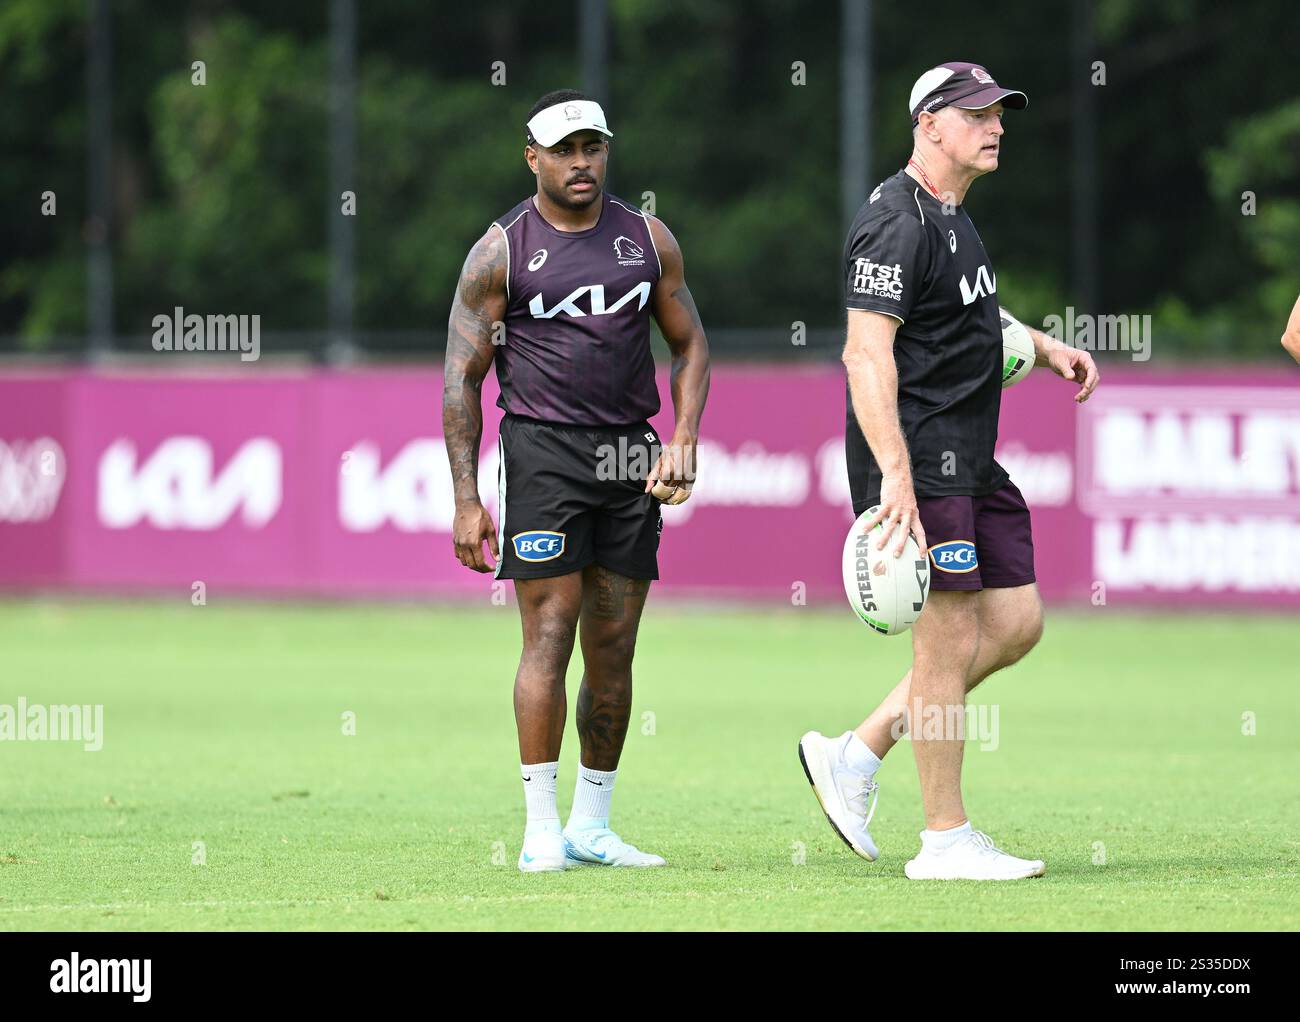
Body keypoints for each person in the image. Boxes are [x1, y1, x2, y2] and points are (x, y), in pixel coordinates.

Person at [799, 62, 1099, 880]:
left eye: (1000, 112)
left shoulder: (953, 216)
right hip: (923, 457)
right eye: (976, 114)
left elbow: (970, 314)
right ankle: (943, 839)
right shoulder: (895, 221)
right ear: (929, 123)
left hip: (970, 456)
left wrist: (1042, 347)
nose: (995, 125)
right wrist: (895, 475)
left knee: (1016, 622)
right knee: (948, 639)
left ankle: (854, 757)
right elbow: (866, 353)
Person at [442, 90, 710, 872]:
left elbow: (690, 345)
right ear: (533, 158)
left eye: (593, 147)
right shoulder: (501, 252)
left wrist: (684, 437)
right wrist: (467, 499)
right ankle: (538, 828)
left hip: (630, 457)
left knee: (616, 646)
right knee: (549, 635)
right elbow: (462, 377)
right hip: (543, 456)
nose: (581, 162)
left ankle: (592, 826)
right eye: (564, 150)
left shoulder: (646, 239)